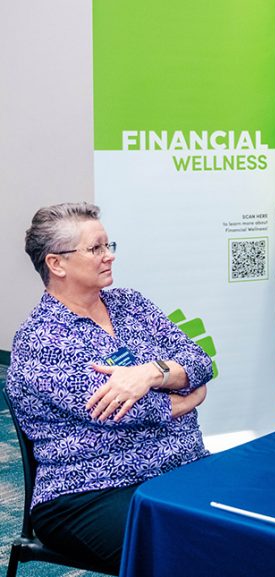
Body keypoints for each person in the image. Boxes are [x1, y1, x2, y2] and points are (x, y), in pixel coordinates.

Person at [5, 202, 213, 573]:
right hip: (90, 491)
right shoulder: (40, 339)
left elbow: (199, 361)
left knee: (253, 521)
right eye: (95, 248)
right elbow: (121, 411)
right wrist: (188, 396)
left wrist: (151, 373)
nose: (109, 256)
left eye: (108, 245)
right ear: (56, 264)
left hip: (180, 463)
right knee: (192, 553)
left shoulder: (131, 304)